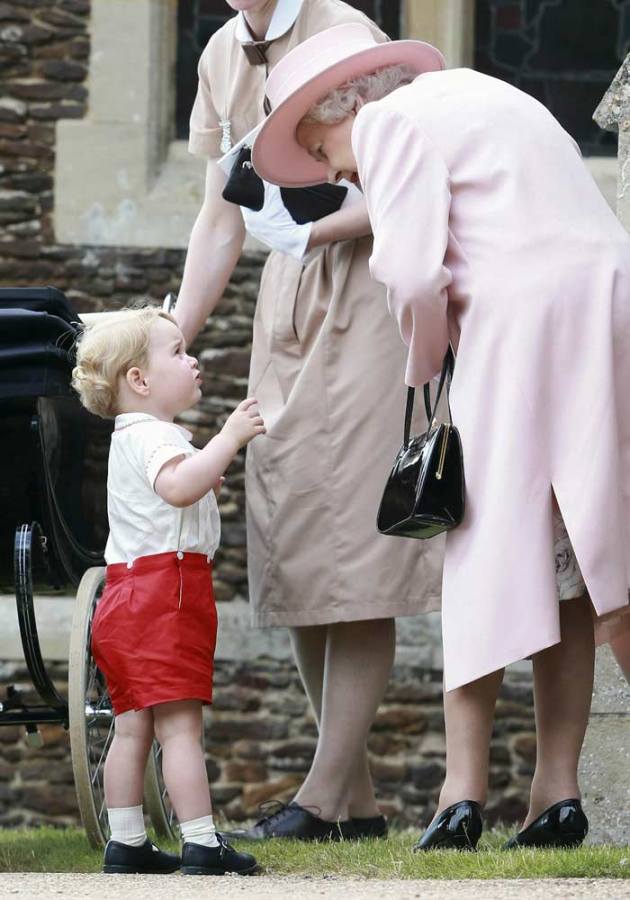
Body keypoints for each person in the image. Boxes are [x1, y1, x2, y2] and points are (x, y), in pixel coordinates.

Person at [251, 22, 630, 850]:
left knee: (484, 544)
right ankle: (556, 797)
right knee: (576, 555)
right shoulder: (487, 94)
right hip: (607, 306)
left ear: (336, 108)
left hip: (519, 325)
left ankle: (460, 797)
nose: (328, 171)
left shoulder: (389, 123)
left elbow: (416, 271)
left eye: (318, 149)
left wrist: (426, 365)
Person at [175, 0, 443, 840]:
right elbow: (222, 212)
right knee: (297, 547)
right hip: (286, 306)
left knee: (356, 551)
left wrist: (313, 229)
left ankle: (321, 799)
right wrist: (167, 333)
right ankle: (355, 805)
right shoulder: (222, 52)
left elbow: (410, 180)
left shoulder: (348, 33)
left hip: (365, 288)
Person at [72, 307, 265, 874]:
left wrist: (204, 463)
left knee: (132, 726)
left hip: (125, 594)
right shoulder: (156, 435)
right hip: (166, 594)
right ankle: (202, 840)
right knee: (181, 726)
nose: (194, 359)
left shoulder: (130, 437)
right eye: (178, 351)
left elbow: (175, 487)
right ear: (139, 380)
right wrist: (227, 440)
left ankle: (127, 840)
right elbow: (179, 488)